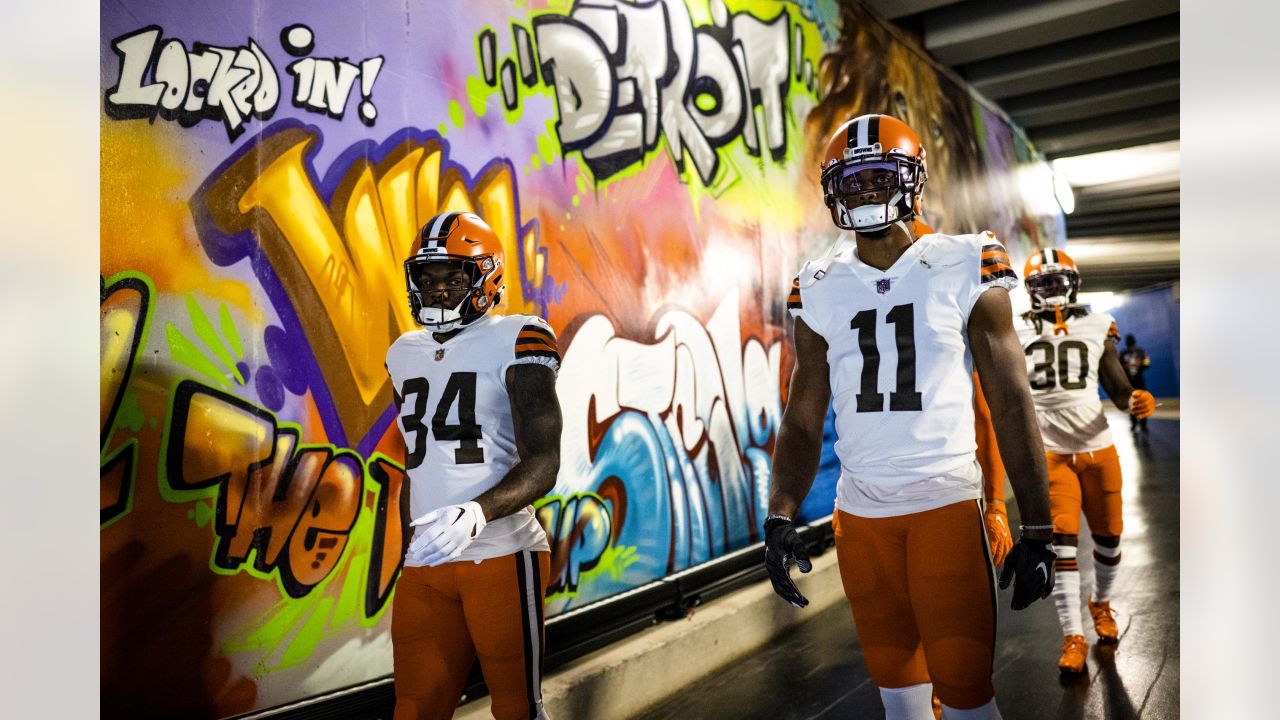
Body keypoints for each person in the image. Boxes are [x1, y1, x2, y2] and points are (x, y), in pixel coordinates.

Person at [765, 114, 1056, 720]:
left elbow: (1009, 400)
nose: (867, 191)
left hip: (942, 507)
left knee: (969, 699)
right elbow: (802, 414)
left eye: (879, 176)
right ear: (832, 193)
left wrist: (1038, 526)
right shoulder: (817, 283)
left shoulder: (967, 259)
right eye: (853, 181)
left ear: (911, 180)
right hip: (861, 518)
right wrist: (780, 512)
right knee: (898, 702)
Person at [385, 211, 562, 720]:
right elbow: (417, 466)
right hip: (428, 563)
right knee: (414, 708)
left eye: (454, 278)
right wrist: (410, 551)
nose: (438, 290)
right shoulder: (404, 352)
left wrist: (475, 513)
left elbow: (544, 461)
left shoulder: (520, 336)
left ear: (485, 277)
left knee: (515, 709)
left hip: (502, 553)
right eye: (427, 278)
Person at [1014, 248, 1156, 674]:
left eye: (1058, 283)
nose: (1053, 292)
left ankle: (1101, 603)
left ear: (1073, 283)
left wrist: (1132, 397)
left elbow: (1115, 384)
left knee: (1110, 538)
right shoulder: (1014, 329)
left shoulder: (1098, 324)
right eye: (1043, 285)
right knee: (1061, 546)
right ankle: (1072, 634)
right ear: (1030, 291)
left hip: (1097, 447)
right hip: (1051, 455)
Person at [1118, 334, 1152, 432]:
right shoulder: (1123, 353)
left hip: (1139, 381)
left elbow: (1147, 363)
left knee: (1142, 403)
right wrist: (1126, 367)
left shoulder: (1140, 352)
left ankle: (1143, 425)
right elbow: (1119, 367)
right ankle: (1134, 423)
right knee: (1131, 403)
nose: (1131, 346)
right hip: (1129, 382)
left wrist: (1139, 365)